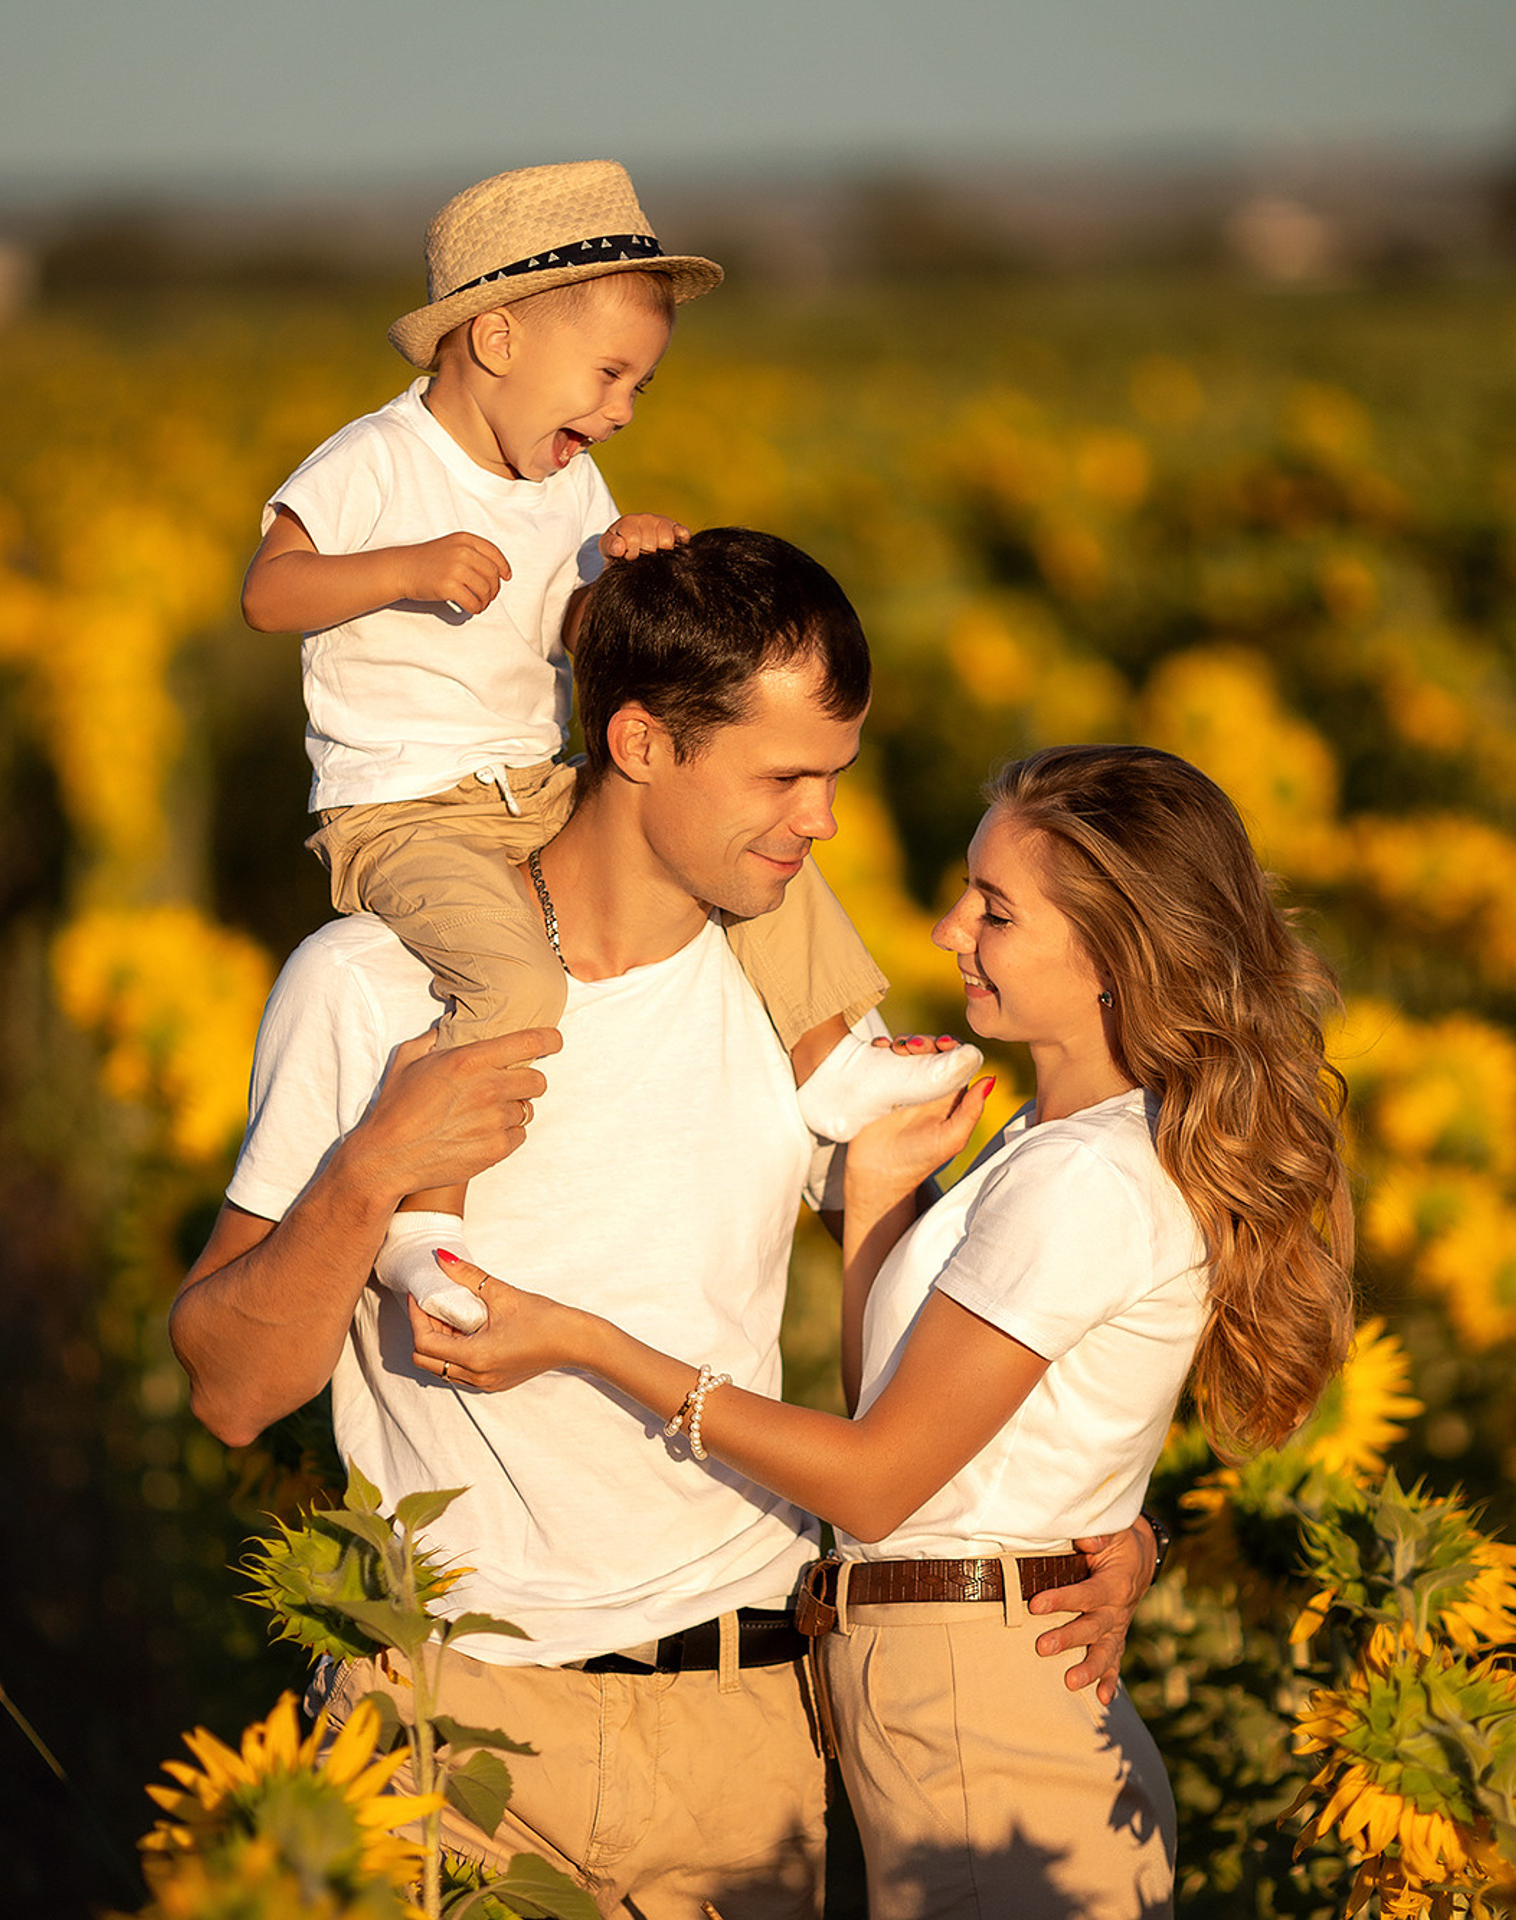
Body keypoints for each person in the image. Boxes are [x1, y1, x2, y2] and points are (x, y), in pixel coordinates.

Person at [172, 533, 1157, 1920]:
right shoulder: (369, 988)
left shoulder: (805, 1026)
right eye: (784, 778)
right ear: (639, 742)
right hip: (447, 1726)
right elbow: (230, 1389)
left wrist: (1099, 1529)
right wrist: (370, 1167)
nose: (822, 822)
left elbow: (964, 1349)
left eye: (835, 777)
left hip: (745, 1738)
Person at [426, 742, 1358, 1920]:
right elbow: (907, 1427)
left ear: (1114, 956)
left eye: (996, 912)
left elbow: (873, 1485)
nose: (949, 929)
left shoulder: (1087, 1178)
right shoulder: (1049, 1143)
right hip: (950, 1702)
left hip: (985, 1724)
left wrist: (586, 1342)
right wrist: (876, 1195)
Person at [241, 159, 970, 1331]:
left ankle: (830, 1060)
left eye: (638, 384)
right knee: (517, 980)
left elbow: (584, 634)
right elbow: (271, 594)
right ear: (496, 340)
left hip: (531, 781)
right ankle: (427, 1224)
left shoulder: (569, 480)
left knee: (741, 842)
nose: (624, 409)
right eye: (610, 374)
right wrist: (405, 568)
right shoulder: (374, 462)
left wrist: (631, 577)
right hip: (405, 810)